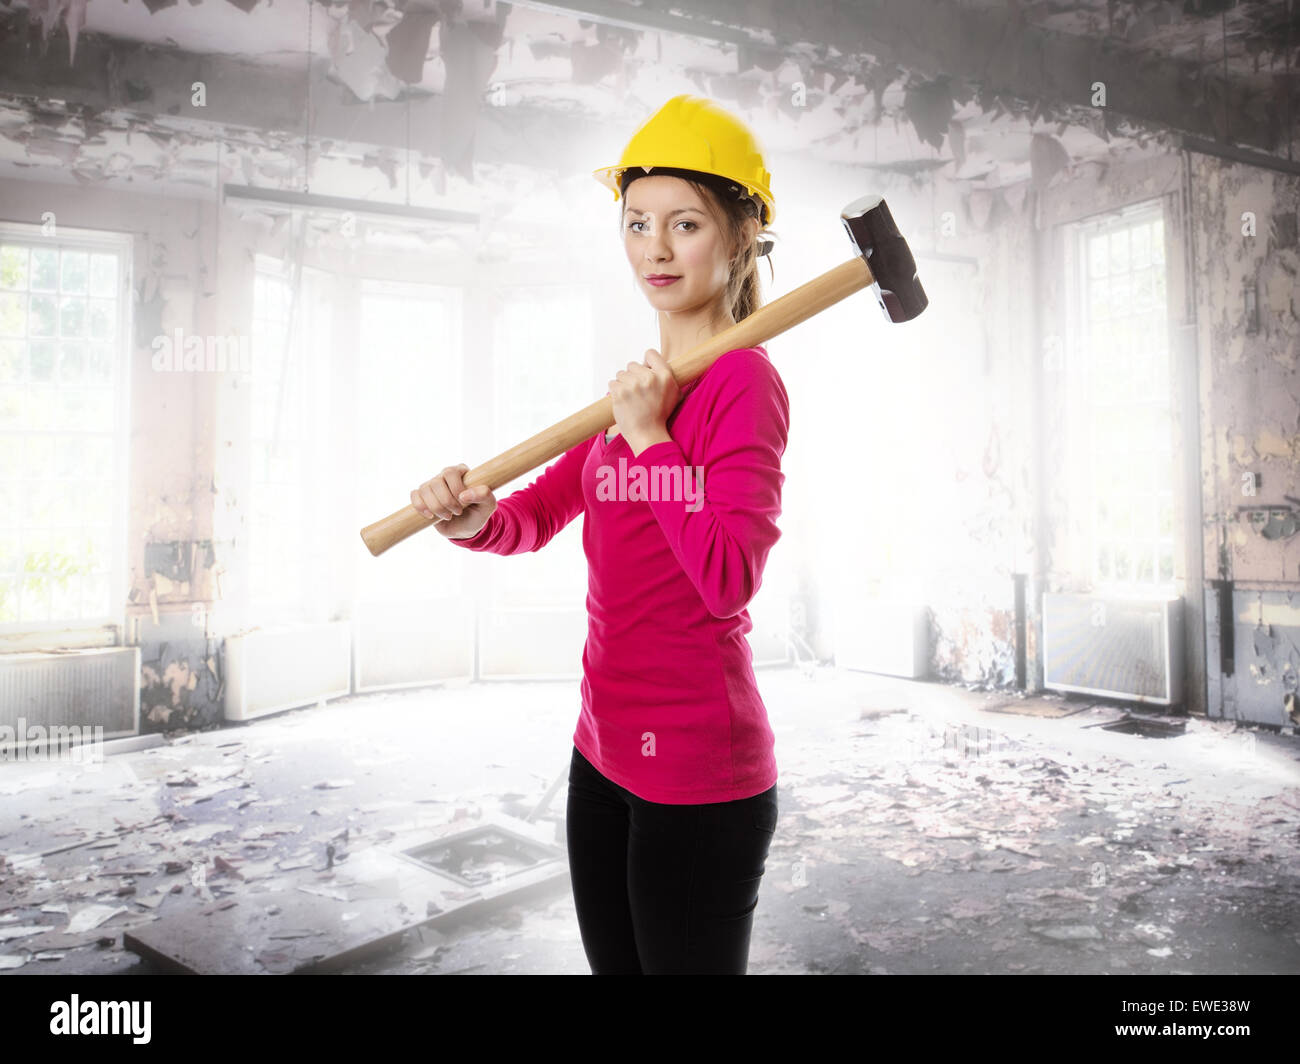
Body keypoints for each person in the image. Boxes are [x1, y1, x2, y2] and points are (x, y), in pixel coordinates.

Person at [410, 94, 790, 974]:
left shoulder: (742, 384)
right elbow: (536, 515)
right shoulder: (636, 390)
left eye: (685, 223)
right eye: (637, 222)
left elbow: (728, 576)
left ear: (737, 236)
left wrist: (653, 434)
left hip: (699, 778)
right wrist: (475, 520)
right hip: (601, 757)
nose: (654, 247)